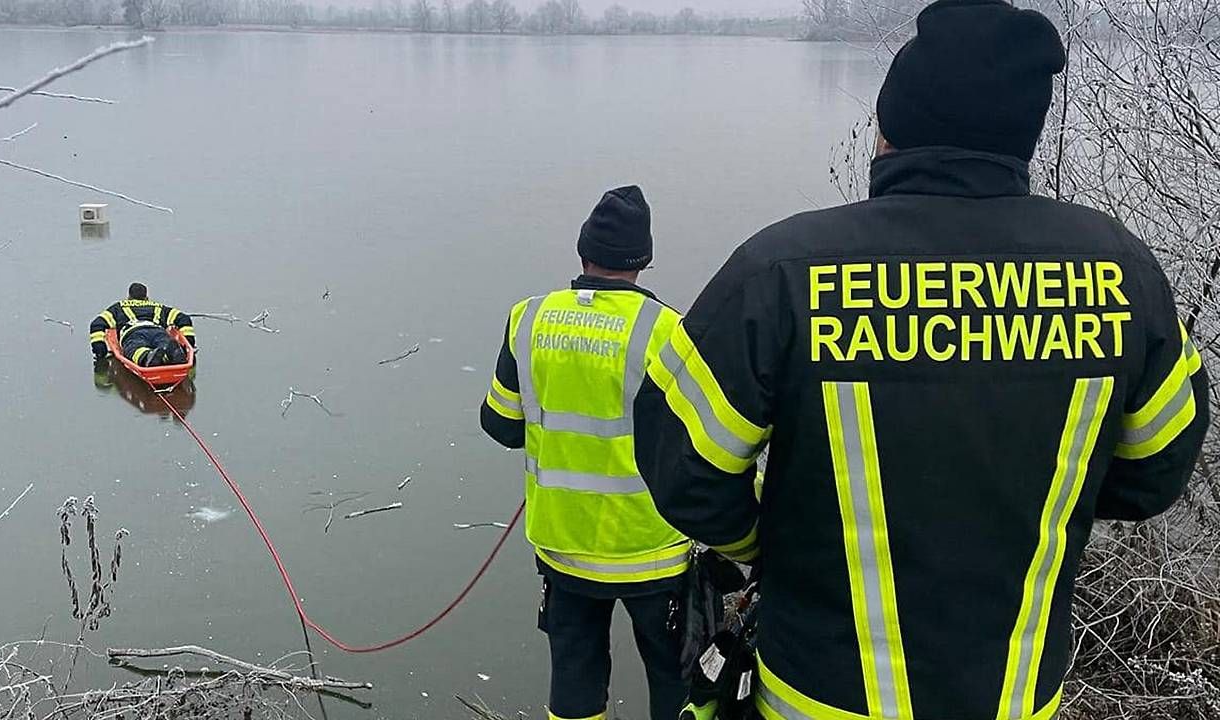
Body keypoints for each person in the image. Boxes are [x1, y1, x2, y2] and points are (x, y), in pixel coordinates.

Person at [632, 2, 1210, 719]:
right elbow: (1157, 467)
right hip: (1016, 696)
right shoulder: (1122, 274)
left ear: (890, 133)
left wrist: (764, 540)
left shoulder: (783, 271)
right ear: (1023, 138)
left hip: (818, 697)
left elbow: (681, 462)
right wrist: (1037, 509)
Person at [480, 186, 691, 720]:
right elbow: (702, 443)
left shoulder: (529, 318)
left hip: (564, 548)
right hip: (652, 552)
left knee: (575, 681)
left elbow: (500, 425)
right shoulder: (667, 330)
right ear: (643, 261)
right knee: (675, 681)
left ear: (582, 252)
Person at [90, 283, 196, 368]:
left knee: (134, 349)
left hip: (133, 333)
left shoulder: (118, 307)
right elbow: (184, 318)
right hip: (158, 331)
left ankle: (147, 356)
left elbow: (97, 324)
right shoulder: (158, 307)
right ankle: (172, 354)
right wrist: (188, 343)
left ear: (129, 297)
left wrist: (100, 350)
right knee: (164, 344)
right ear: (147, 298)